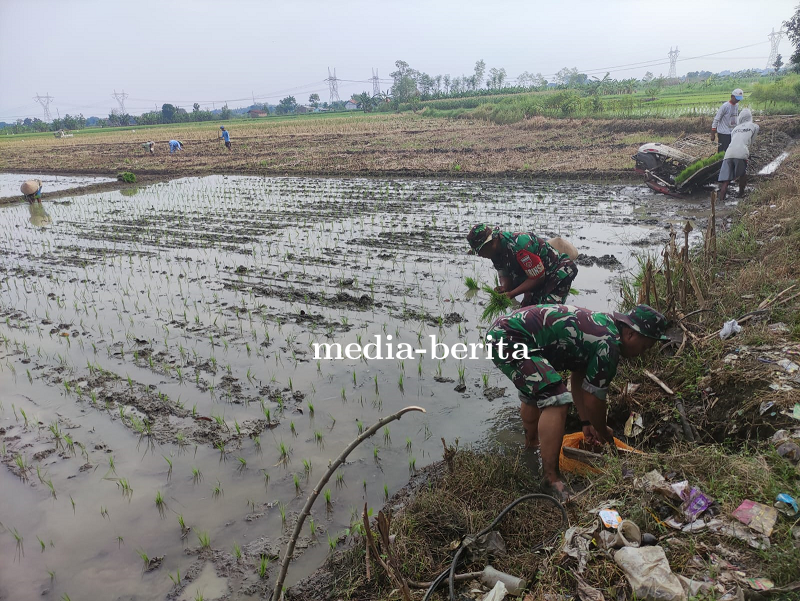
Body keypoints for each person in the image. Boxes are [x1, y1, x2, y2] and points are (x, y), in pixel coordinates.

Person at [486, 303, 670, 501]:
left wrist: (586, 423)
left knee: (538, 391)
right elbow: (594, 401)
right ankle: (551, 479)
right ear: (631, 334)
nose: (641, 353)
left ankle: (531, 450)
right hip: (510, 338)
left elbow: (579, 375)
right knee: (556, 399)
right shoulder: (609, 345)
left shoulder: (604, 325)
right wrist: (602, 431)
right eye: (644, 346)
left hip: (503, 333)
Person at [467, 224, 578, 307]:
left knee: (546, 315)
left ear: (492, 242)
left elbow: (538, 277)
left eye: (480, 250)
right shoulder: (494, 252)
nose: (480, 255)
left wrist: (511, 294)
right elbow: (503, 272)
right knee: (525, 313)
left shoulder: (520, 246)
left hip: (557, 273)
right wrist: (505, 287)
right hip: (535, 275)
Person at [718, 109, 759, 202]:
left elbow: (733, 141)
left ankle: (721, 200)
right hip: (741, 153)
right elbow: (751, 142)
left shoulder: (735, 129)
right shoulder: (754, 126)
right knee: (742, 174)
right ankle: (741, 194)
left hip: (728, 153)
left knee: (726, 180)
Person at [711, 88, 743, 153]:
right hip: (724, 133)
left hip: (732, 132)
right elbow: (716, 119)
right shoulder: (725, 106)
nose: (738, 100)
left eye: (739, 99)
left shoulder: (736, 105)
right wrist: (713, 134)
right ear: (732, 96)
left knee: (731, 151)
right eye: (736, 98)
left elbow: (735, 117)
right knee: (723, 152)